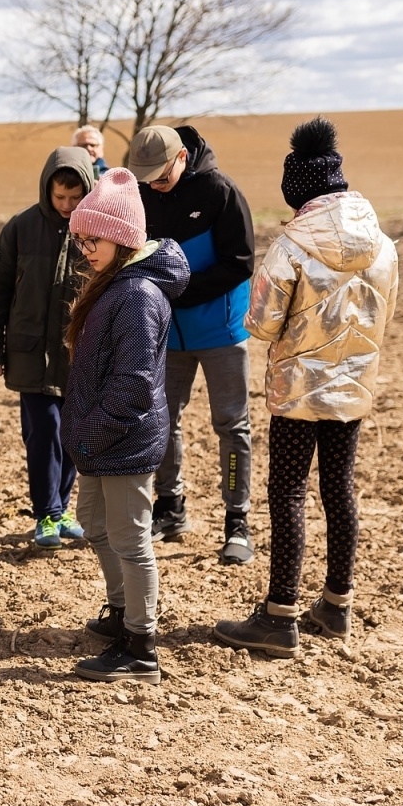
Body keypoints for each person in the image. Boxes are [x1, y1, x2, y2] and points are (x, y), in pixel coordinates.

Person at [214, 118, 398, 657]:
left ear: (298, 190)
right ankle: (337, 605)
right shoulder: (383, 244)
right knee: (339, 486)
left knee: (289, 491)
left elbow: (262, 323)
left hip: (298, 390)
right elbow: (387, 313)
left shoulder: (292, 245)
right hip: (354, 387)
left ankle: (280, 615)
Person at [60, 170, 190, 684]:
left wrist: (94, 432)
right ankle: (120, 612)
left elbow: (134, 381)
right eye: (81, 240)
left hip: (122, 440)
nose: (85, 249)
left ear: (121, 237)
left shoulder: (137, 295)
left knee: (132, 541)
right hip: (101, 440)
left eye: (92, 239)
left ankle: (141, 647)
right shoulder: (115, 284)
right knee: (96, 526)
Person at [131, 124, 256, 565]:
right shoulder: (145, 196)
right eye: (147, 180)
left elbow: (240, 262)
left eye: (161, 177)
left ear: (182, 157)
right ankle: (171, 506)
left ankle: (237, 520)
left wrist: (179, 288)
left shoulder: (220, 191)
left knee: (231, 425)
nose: (154, 186)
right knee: (162, 419)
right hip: (167, 332)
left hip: (221, 333)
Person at [0, 146, 96, 549]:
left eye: (74, 198)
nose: (65, 205)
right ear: (47, 190)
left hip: (79, 355)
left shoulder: (98, 230)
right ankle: (45, 514)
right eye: (58, 197)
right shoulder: (21, 227)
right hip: (30, 355)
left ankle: (61, 510)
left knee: (73, 436)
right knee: (43, 432)